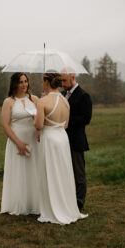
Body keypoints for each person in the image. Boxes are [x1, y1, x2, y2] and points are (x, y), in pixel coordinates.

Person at [35, 73, 88, 225]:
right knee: (63, 172)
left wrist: (36, 116)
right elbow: (65, 124)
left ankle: (53, 208)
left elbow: (38, 125)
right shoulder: (65, 101)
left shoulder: (42, 101)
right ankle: (66, 206)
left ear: (46, 82)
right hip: (63, 138)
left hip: (50, 139)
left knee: (50, 172)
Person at [0, 72, 39, 215]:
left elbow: (41, 120)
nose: (24, 85)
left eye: (26, 81)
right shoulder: (9, 101)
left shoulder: (34, 99)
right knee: (18, 172)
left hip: (33, 141)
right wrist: (18, 143)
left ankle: (34, 204)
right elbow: (5, 125)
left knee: (33, 172)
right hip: (16, 140)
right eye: (21, 82)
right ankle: (18, 204)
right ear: (15, 84)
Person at [61, 73, 92, 211]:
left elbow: (86, 119)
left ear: (73, 78)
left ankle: (79, 203)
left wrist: (67, 122)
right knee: (65, 172)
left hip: (76, 140)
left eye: (64, 80)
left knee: (78, 173)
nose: (62, 83)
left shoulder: (83, 95)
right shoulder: (62, 94)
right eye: (61, 80)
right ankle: (67, 200)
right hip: (62, 140)